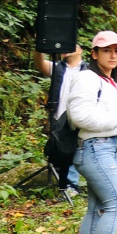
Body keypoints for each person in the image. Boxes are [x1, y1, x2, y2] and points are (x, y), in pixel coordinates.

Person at [66, 31, 117, 234]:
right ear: (94, 53)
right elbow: (79, 117)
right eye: (106, 50)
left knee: (96, 209)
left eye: (116, 50)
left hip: (106, 148)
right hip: (96, 147)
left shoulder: (109, 81)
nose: (113, 55)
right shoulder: (87, 78)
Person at [38, 43, 85, 193]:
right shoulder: (58, 67)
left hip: (79, 115)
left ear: (80, 50)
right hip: (58, 115)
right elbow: (40, 64)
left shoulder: (89, 70)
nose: (66, 50)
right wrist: (39, 46)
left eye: (71, 46)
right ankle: (61, 184)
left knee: (74, 147)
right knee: (60, 148)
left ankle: (71, 185)